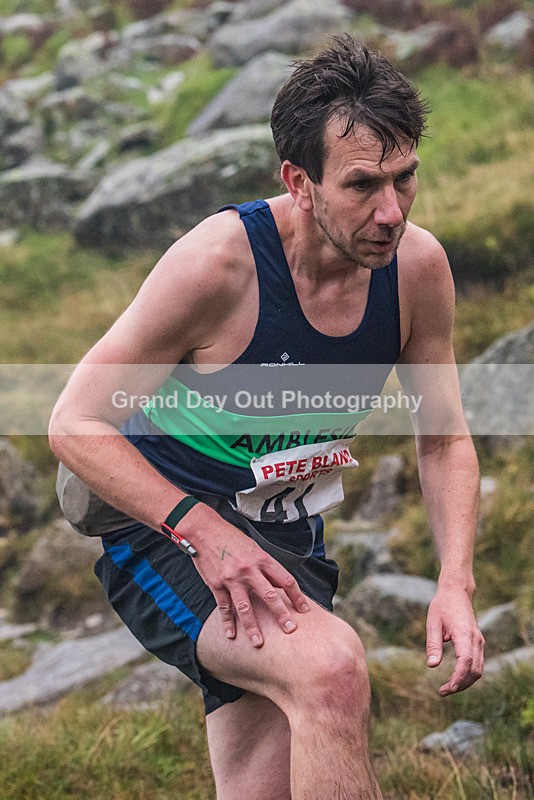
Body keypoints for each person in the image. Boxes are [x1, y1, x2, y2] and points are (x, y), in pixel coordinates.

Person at [49, 35, 484, 800]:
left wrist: (455, 581)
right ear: (299, 181)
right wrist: (205, 534)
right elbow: (75, 423)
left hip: (285, 537)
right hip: (163, 528)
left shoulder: (416, 270)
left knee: (262, 784)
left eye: (406, 178)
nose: (392, 211)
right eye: (362, 186)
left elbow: (444, 439)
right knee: (331, 670)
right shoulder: (216, 267)